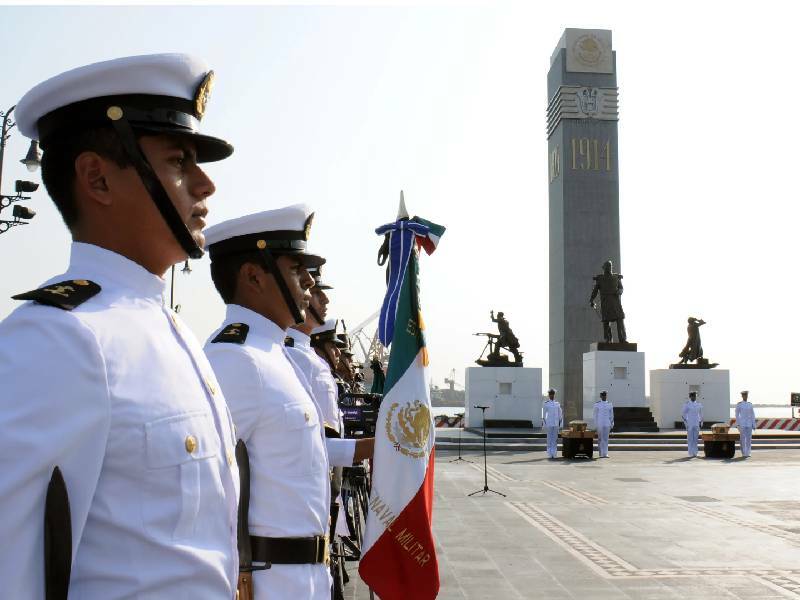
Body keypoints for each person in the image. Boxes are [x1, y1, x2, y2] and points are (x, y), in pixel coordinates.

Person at [0, 54, 240, 598]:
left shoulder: (165, 328)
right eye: (180, 161)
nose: (206, 186)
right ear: (97, 178)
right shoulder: (60, 338)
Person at [203, 205, 373, 600]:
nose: (310, 283)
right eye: (297, 269)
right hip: (269, 582)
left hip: (305, 576)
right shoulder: (236, 358)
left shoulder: (275, 354)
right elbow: (205, 494)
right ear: (253, 276)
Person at [589, 259, 627, 343]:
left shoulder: (616, 277)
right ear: (604, 268)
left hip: (615, 302)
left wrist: (619, 291)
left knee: (620, 319)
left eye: (610, 266)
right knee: (606, 322)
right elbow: (595, 291)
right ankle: (608, 339)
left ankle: (622, 339)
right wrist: (591, 300)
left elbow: (621, 288)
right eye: (607, 266)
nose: (609, 268)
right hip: (605, 302)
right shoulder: (600, 279)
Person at [542, 388, 563, 458]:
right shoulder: (546, 404)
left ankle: (554, 452)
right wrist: (544, 425)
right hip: (549, 423)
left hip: (556, 423)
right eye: (550, 394)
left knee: (555, 438)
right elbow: (544, 415)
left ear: (554, 395)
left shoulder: (557, 404)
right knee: (549, 438)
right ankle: (549, 452)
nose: (552, 396)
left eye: (553, 394)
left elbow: (560, 414)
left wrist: (561, 423)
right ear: (549, 395)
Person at [682, 391, 704, 457]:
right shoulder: (687, 404)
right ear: (690, 397)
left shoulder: (698, 404)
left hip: (696, 423)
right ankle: (690, 452)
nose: (694, 397)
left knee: (695, 438)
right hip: (690, 423)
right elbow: (683, 414)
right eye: (693, 396)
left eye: (695, 396)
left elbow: (701, 414)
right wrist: (686, 423)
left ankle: (695, 452)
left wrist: (701, 422)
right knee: (690, 438)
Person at [593, 390, 615, 458]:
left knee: (606, 439)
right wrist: (596, 424)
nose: (604, 397)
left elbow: (611, 415)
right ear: (600, 396)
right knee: (600, 438)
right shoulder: (597, 404)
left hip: (607, 423)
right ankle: (601, 453)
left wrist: (612, 423)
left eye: (605, 395)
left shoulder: (609, 404)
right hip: (600, 423)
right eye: (603, 395)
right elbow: (595, 415)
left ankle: (605, 453)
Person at [735, 390, 756, 457]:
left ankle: (748, 452)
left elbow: (752, 414)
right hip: (742, 424)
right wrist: (738, 424)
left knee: (749, 439)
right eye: (744, 395)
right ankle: (743, 452)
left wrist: (754, 424)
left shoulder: (750, 404)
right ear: (742, 396)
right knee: (742, 439)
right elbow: (737, 415)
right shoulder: (739, 404)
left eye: (746, 395)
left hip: (749, 424)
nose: (745, 396)